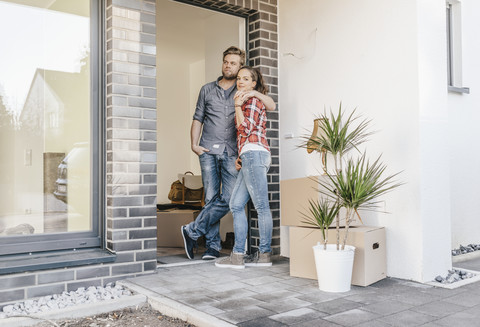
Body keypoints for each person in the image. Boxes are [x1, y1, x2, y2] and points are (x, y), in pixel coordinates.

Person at [181, 46, 275, 260]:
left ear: (241, 67)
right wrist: (194, 145)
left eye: (233, 63)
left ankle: (192, 230)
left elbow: (269, 104)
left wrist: (252, 91)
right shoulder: (207, 89)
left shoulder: (245, 91)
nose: (228, 66)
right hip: (207, 148)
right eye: (226, 61)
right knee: (212, 197)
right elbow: (198, 118)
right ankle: (213, 247)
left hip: (235, 152)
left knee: (229, 199)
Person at [215, 66, 273, 269]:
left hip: (254, 153)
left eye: (246, 79)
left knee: (261, 207)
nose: (240, 81)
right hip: (250, 155)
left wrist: (238, 106)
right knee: (236, 205)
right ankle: (238, 255)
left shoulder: (253, 101)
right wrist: (241, 156)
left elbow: (245, 128)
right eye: (239, 78)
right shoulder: (248, 100)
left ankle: (264, 254)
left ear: (253, 83)